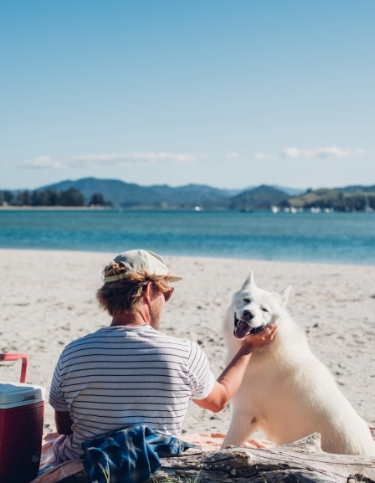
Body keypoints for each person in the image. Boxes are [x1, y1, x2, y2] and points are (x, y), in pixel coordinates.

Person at [49, 249, 276, 464]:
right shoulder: (183, 353)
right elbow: (218, 401)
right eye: (166, 293)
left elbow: (65, 428)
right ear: (148, 292)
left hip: (85, 466)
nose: (166, 299)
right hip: (156, 466)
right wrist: (248, 348)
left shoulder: (73, 352)